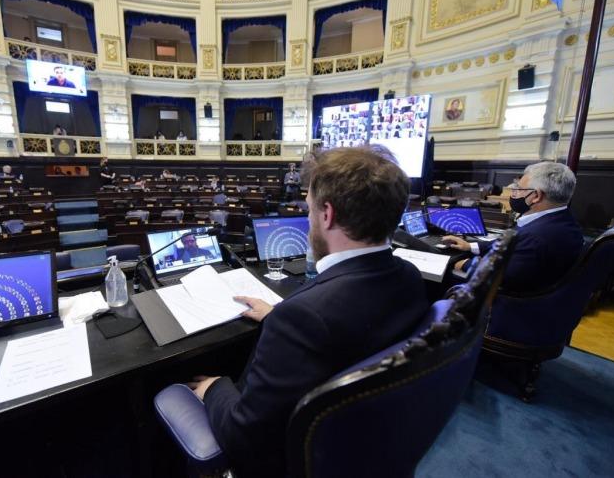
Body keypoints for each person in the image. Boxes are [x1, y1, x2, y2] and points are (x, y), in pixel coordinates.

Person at [189, 147, 429, 477]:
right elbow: (349, 339)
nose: (308, 216)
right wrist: (276, 316)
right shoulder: (410, 278)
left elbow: (244, 438)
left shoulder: (303, 317)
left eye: (309, 206)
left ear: (326, 214)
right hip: (363, 446)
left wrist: (214, 388)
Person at [443, 161, 584, 293]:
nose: (514, 193)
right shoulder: (564, 220)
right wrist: (470, 246)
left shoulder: (535, 237)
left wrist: (467, 264)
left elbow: (502, 279)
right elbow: (510, 243)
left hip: (508, 303)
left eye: (519, 189)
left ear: (536, 196)